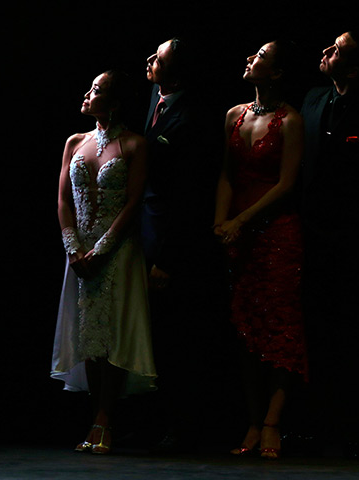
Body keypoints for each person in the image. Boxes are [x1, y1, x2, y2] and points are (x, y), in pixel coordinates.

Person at [299, 31, 359, 457]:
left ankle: (357, 427)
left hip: (356, 238)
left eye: (335, 50)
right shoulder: (313, 99)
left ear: (354, 69)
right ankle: (319, 424)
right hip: (312, 233)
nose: (325, 52)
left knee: (354, 330)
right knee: (316, 329)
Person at [52, 70, 156, 454]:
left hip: (115, 252)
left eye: (96, 90)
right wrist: (73, 247)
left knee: (113, 334)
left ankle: (106, 418)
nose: (87, 93)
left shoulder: (134, 144)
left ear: (114, 102)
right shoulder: (74, 142)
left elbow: (133, 202)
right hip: (79, 253)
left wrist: (104, 247)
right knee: (88, 335)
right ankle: (95, 413)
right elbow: (63, 199)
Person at [213, 39, 306, 460]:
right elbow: (227, 174)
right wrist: (220, 221)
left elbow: (288, 184)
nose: (250, 58)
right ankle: (252, 419)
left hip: (276, 232)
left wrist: (240, 220)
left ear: (278, 73)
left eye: (261, 57)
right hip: (237, 233)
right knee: (246, 330)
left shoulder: (291, 120)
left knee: (280, 328)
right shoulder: (234, 114)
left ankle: (273, 422)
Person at [142, 37, 223, 449]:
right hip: (143, 237)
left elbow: (189, 197)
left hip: (172, 246)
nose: (150, 62)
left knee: (178, 338)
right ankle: (151, 421)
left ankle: (183, 426)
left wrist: (167, 259)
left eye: (159, 59)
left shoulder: (193, 118)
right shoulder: (152, 100)